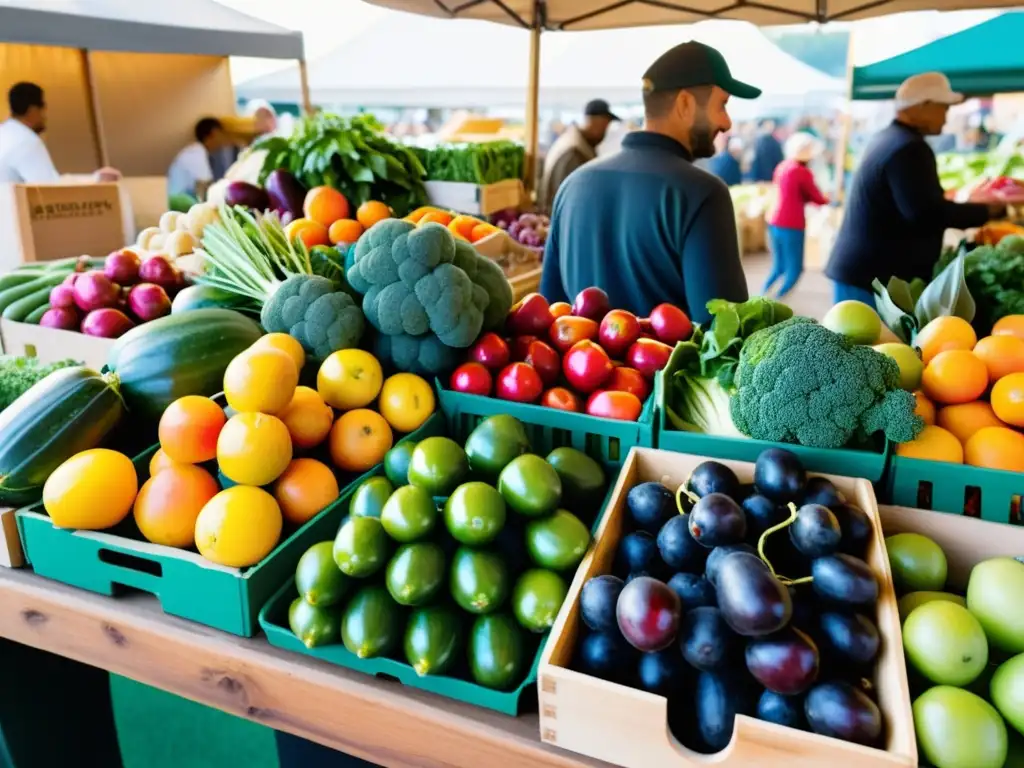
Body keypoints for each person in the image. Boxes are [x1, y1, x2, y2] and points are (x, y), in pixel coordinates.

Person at [539, 41, 757, 323]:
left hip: (579, 365)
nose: (727, 123)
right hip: (668, 368)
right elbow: (725, 332)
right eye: (722, 105)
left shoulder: (573, 184)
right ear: (685, 104)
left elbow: (549, 313)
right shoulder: (702, 194)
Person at [826, 73, 1006, 306]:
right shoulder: (909, 148)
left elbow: (912, 201)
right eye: (943, 108)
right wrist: (988, 211)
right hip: (872, 281)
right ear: (923, 106)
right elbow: (926, 214)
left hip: (864, 274)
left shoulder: (890, 138)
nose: (945, 117)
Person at [0, 82, 119, 183]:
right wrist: (96, 179)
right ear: (33, 110)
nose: (44, 118)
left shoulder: (5, 133)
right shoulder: (25, 141)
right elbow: (49, 188)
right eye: (43, 109)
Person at [762, 133, 829, 299]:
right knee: (795, 269)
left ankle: (761, 297)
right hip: (791, 225)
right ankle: (778, 300)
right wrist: (830, 200)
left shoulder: (782, 167)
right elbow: (817, 198)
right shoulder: (802, 172)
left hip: (774, 220)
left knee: (778, 267)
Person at [538, 99, 619, 212]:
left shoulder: (574, 141)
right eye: (605, 125)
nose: (605, 131)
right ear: (594, 121)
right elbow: (572, 200)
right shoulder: (573, 152)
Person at [167, 117, 229, 202]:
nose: (222, 140)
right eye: (221, 135)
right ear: (213, 134)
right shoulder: (195, 153)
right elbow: (204, 186)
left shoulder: (197, 151)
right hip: (179, 202)